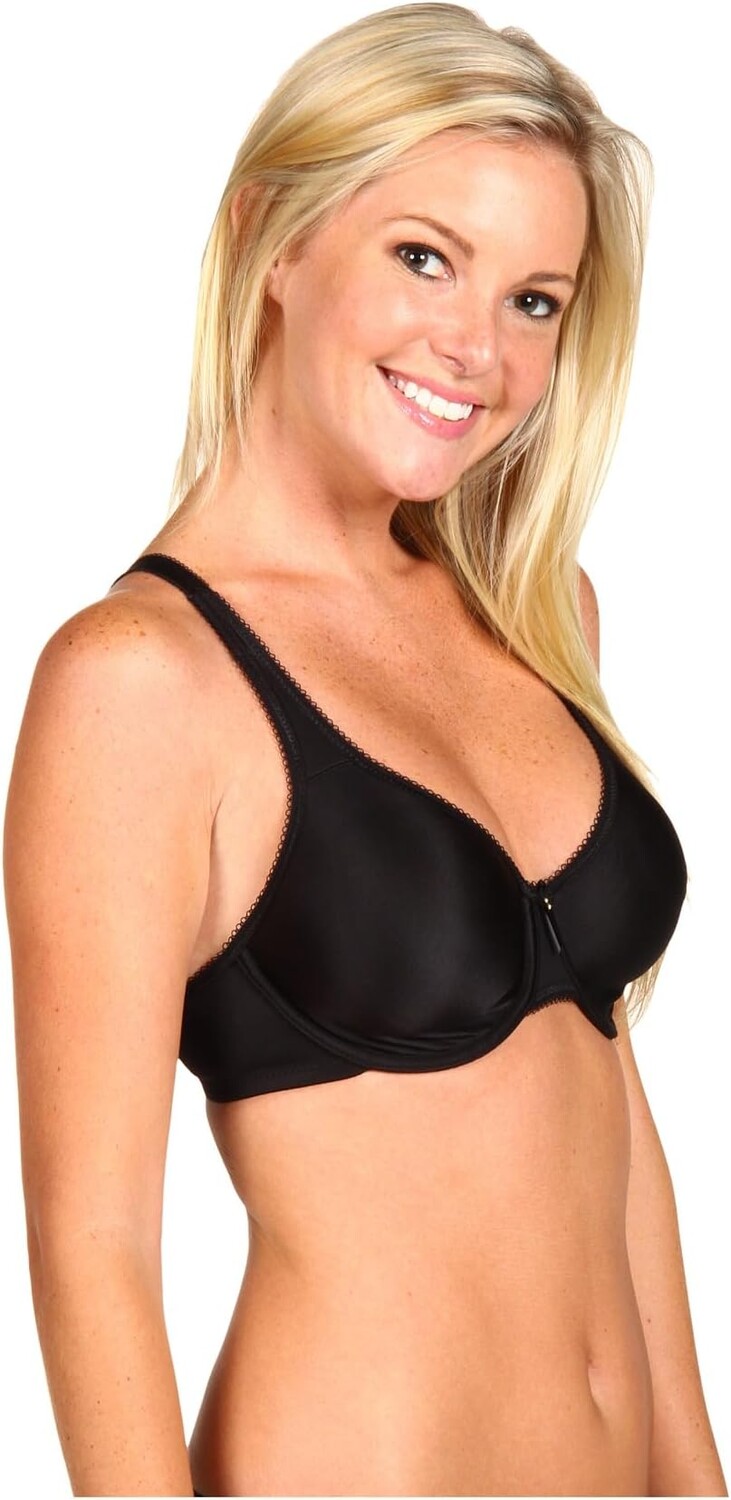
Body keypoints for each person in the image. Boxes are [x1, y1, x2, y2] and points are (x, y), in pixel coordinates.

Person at [4, 2, 727, 1495]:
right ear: (273, 238)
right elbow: (94, 1251)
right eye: (424, 257)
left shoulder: (538, 615)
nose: (479, 349)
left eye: (536, 300)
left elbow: (609, 1113)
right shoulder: (140, 682)